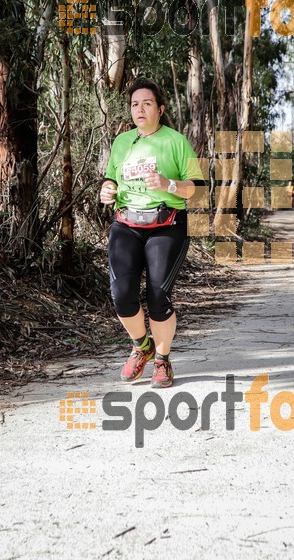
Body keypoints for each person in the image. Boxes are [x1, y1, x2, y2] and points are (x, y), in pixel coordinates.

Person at [100, 77, 204, 388]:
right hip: (126, 225)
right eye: (134, 104)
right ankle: (141, 346)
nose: (140, 109)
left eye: (147, 103)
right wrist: (107, 190)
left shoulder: (176, 141)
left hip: (167, 225)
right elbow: (110, 181)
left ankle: (162, 359)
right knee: (121, 296)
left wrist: (167, 184)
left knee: (158, 296)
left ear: (160, 108)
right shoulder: (122, 142)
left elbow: (196, 190)